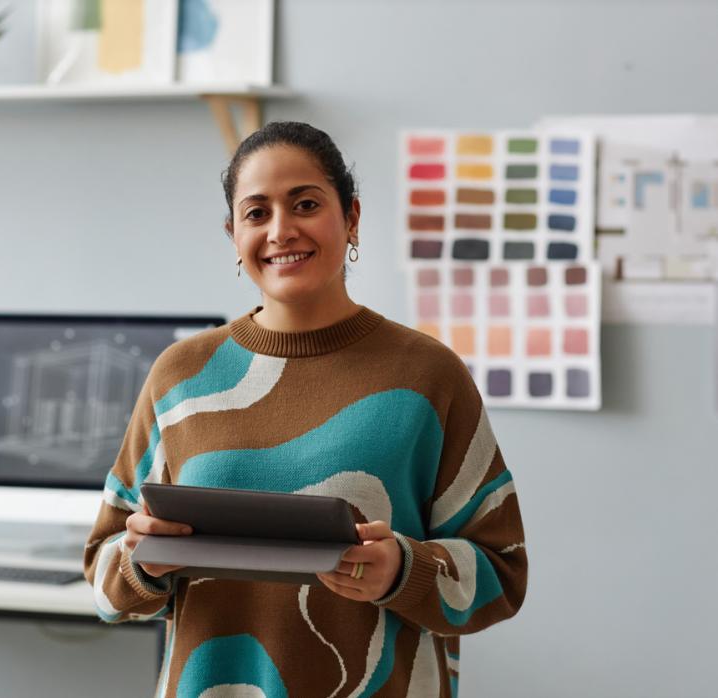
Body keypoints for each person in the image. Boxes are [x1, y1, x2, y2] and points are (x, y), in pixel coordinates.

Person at [84, 121, 527, 697]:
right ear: (233, 234)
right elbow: (103, 579)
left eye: (306, 204)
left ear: (353, 218)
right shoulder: (181, 375)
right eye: (256, 212)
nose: (281, 230)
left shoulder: (427, 375)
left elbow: (504, 573)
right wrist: (141, 564)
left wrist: (403, 570)